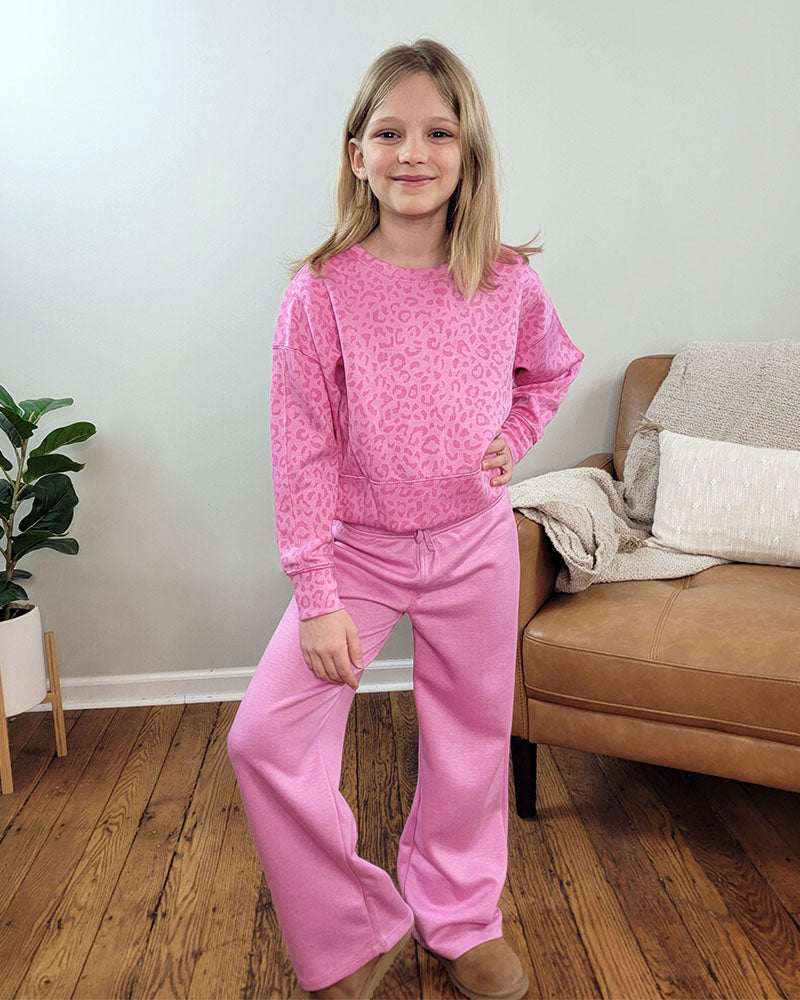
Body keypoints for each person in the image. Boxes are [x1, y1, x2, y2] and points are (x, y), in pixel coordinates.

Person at [227, 37, 585, 1000]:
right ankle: (355, 925)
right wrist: (316, 593)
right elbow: (299, 445)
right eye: (390, 132)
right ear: (357, 155)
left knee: (469, 740)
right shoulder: (323, 293)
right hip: (359, 553)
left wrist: (517, 429)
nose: (413, 152)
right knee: (264, 739)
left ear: (468, 153)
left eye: (438, 131)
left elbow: (552, 367)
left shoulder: (506, 280)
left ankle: (461, 917)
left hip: (476, 542)